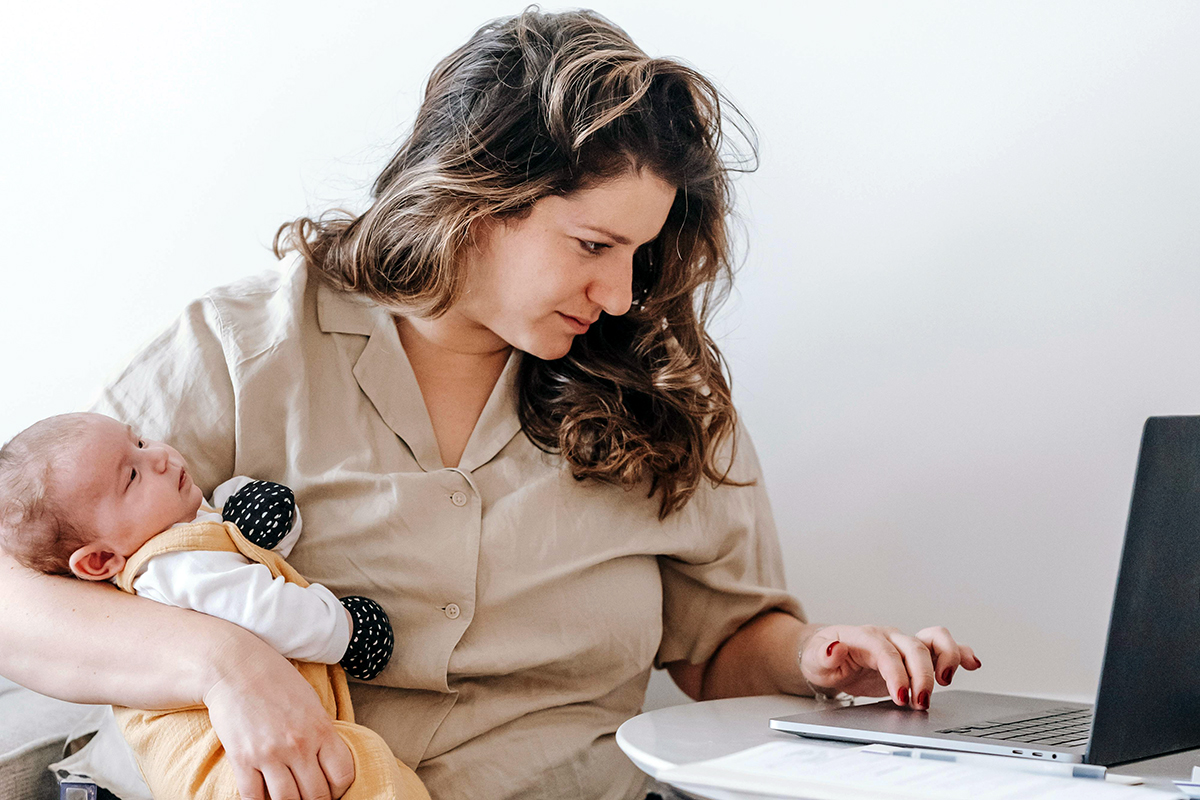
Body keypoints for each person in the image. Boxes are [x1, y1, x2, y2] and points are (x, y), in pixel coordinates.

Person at [0, 9, 980, 800]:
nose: (625, 294)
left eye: (641, 253)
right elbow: (17, 587)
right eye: (594, 245)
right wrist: (221, 659)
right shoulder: (244, 345)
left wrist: (818, 657)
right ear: (476, 196)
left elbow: (723, 641)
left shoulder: (666, 390)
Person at [0, 412, 428, 800]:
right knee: (370, 775)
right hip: (225, 765)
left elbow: (237, 546)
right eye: (131, 475)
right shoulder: (175, 567)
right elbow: (269, 611)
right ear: (99, 561)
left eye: (142, 442)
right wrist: (343, 629)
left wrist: (247, 508)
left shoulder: (174, 535)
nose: (161, 459)